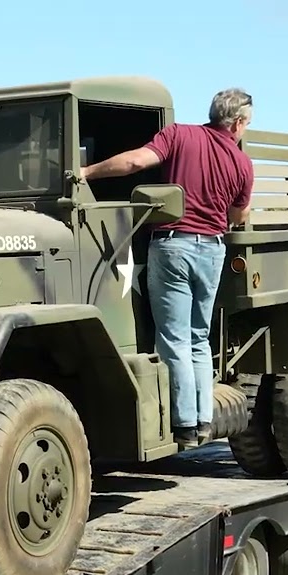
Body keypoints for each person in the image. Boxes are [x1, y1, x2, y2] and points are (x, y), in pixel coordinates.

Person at [80, 88, 255, 450]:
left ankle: (185, 425)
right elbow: (238, 216)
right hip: (212, 248)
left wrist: (87, 171)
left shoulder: (180, 134)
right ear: (237, 123)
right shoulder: (242, 163)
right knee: (198, 338)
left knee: (173, 338)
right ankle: (204, 421)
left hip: (173, 245)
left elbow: (134, 164)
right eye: (247, 125)